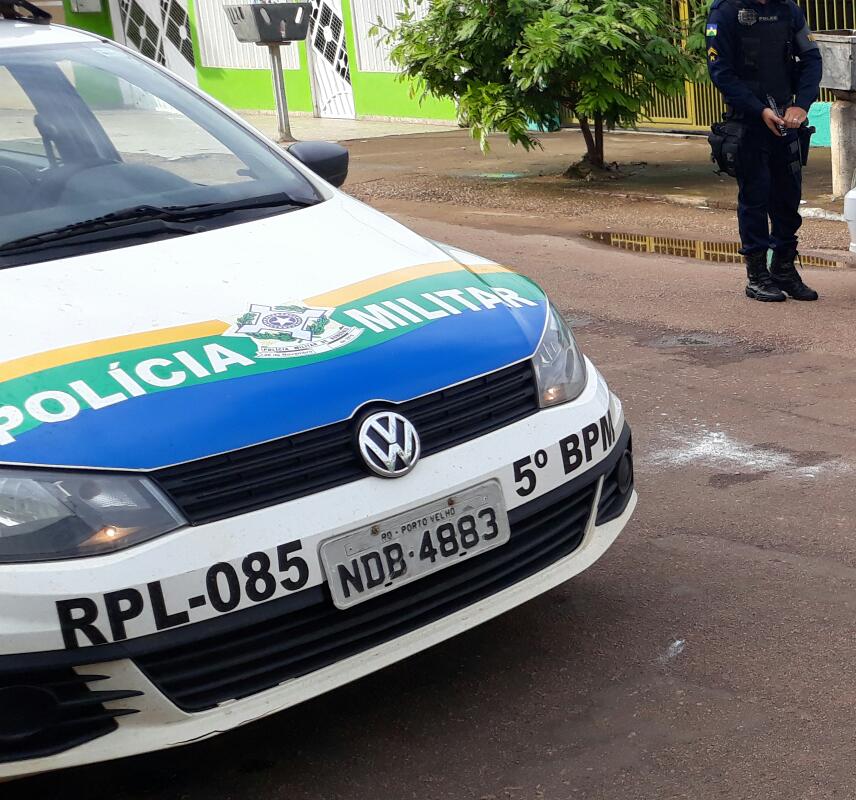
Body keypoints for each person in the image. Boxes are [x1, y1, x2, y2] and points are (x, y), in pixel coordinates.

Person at [706, 0, 823, 302]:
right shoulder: (726, 12)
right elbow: (721, 72)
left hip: (787, 120)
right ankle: (757, 275)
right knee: (755, 198)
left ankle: (783, 269)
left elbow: (811, 59)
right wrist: (759, 110)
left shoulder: (788, 9)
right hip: (749, 122)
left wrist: (802, 104)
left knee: (788, 198)